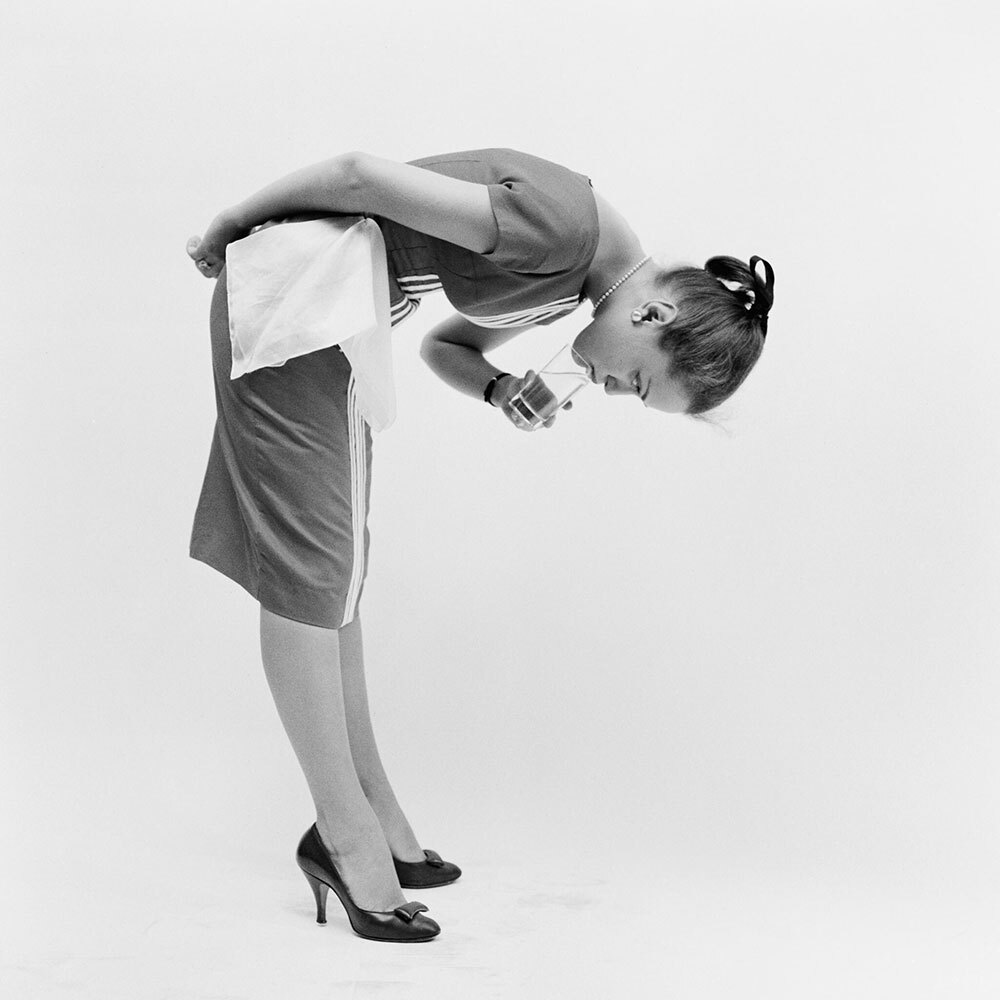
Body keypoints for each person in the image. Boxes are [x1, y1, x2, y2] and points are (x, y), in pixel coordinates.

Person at [185, 147, 775, 942]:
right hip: (292, 298)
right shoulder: (562, 231)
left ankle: (376, 815)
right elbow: (357, 175)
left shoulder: (578, 280)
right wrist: (231, 222)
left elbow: (445, 350)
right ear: (654, 317)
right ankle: (343, 834)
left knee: (342, 573)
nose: (608, 391)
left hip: (335, 319)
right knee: (310, 574)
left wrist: (502, 391)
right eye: (636, 384)